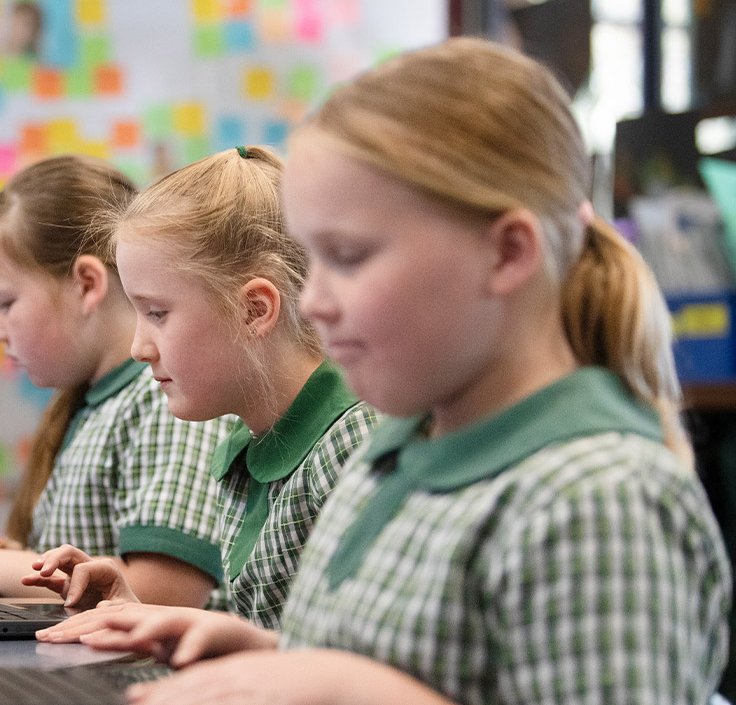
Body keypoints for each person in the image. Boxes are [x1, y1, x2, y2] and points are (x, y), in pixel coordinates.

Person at [62, 38, 732, 705]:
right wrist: (263, 654)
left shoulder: (599, 497)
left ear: (506, 254)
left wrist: (343, 688)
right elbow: (411, 661)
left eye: (348, 256)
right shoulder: (399, 448)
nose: (313, 302)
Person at [22, 146, 378, 632]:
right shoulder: (246, 445)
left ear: (253, 310)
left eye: (157, 313)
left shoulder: (351, 445)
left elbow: (355, 654)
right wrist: (138, 610)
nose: (138, 348)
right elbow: (267, 630)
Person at [0, 155, 236, 606]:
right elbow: (80, 569)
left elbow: (161, 594)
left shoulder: (164, 400)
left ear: (86, 285)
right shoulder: (94, 404)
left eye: (5, 302)